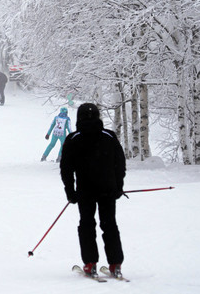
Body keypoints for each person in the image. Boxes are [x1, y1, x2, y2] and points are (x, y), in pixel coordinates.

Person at [60, 103, 126, 279]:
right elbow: (120, 163)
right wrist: (119, 186)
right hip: (107, 190)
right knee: (109, 225)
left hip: (85, 191)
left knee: (87, 225)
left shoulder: (73, 139)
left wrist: (70, 191)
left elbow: (66, 168)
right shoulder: (109, 136)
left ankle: (90, 263)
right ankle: (115, 263)